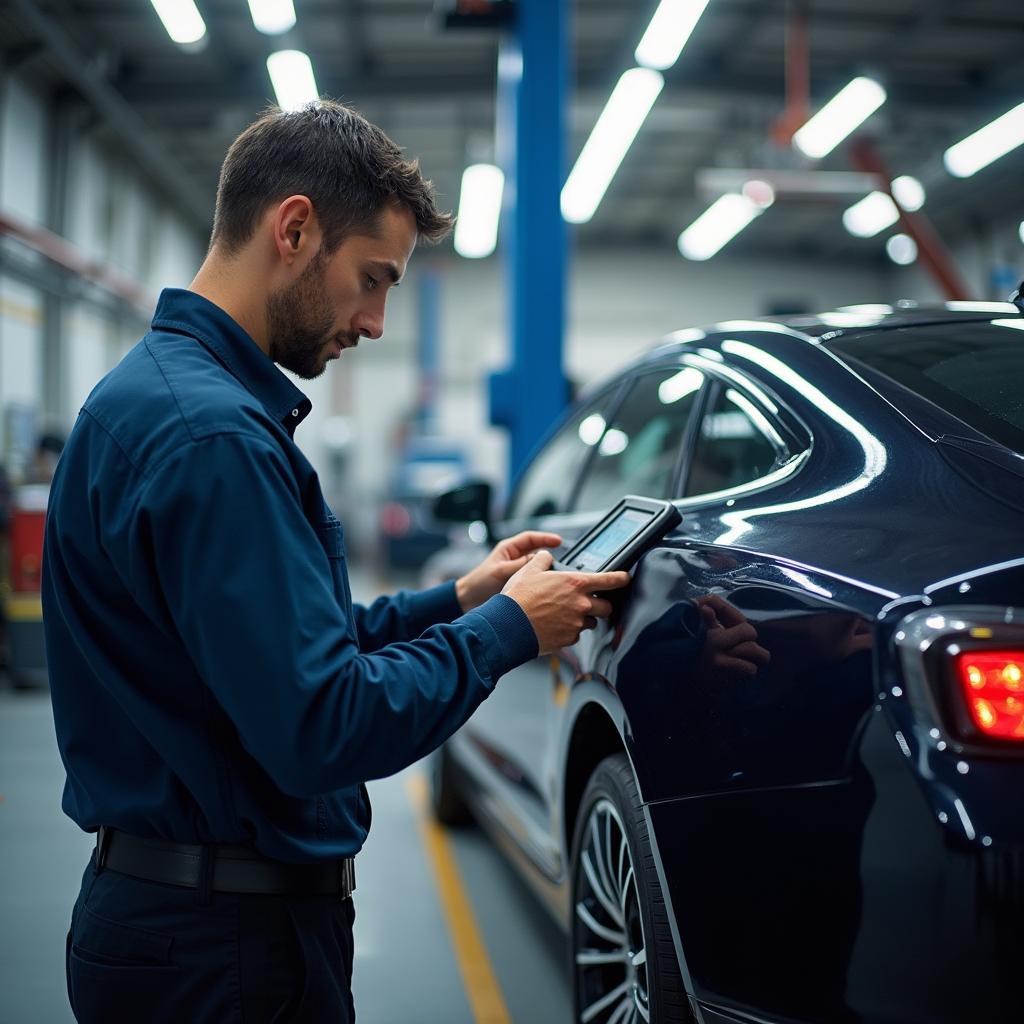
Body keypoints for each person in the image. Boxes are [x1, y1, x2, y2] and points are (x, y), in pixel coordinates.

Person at [41, 100, 629, 1024]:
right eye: (372, 278)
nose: (378, 320)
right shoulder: (215, 441)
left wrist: (461, 598)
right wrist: (509, 631)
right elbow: (322, 724)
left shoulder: (157, 398)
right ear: (295, 229)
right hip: (222, 953)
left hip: (184, 930)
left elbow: (277, 652)